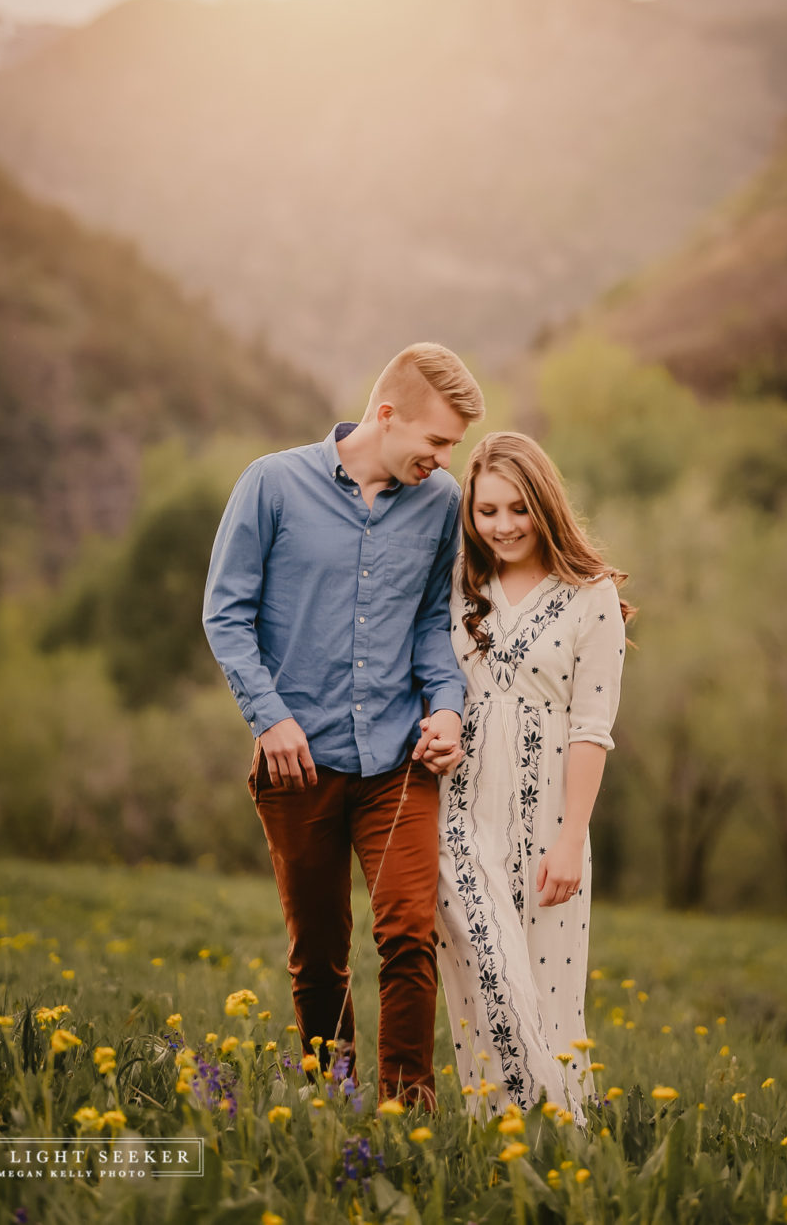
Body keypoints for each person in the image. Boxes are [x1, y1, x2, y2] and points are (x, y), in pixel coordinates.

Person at [202, 343, 483, 1106]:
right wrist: (270, 720)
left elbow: (433, 622)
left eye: (451, 446)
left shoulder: (441, 505)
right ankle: (336, 1102)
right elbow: (225, 616)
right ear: (386, 416)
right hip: (298, 767)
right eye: (436, 441)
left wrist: (449, 709)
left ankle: (406, 1111)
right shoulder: (272, 484)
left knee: (408, 936)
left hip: (399, 762)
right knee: (319, 954)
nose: (443, 459)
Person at [436, 431, 634, 1118]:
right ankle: (520, 1130)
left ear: (544, 506)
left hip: (553, 819)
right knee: (485, 981)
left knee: (551, 999)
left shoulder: (592, 597)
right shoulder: (459, 584)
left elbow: (591, 728)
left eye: (517, 509)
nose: (503, 526)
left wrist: (571, 839)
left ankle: (559, 1153)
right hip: (458, 816)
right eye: (487, 511)